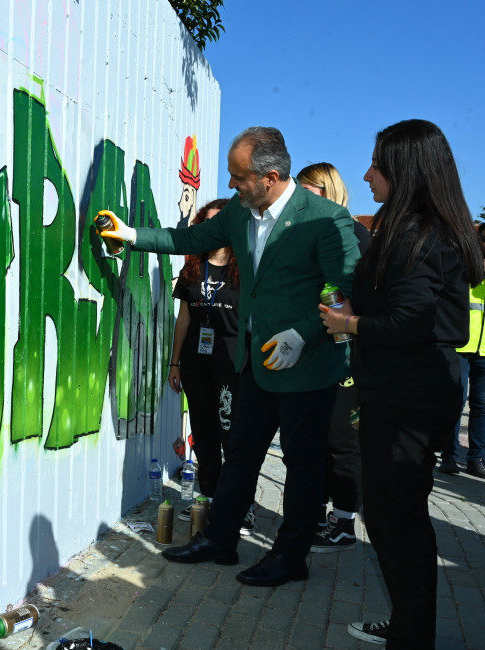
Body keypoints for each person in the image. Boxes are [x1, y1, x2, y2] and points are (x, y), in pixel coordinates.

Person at [99, 126, 360, 588]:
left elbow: (344, 289)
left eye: (239, 177)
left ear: (271, 176)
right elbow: (189, 240)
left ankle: (290, 557)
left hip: (307, 368)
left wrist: (303, 335)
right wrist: (131, 234)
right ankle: (220, 540)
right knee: (240, 455)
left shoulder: (324, 219)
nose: (232, 185)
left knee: (302, 468)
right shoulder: (241, 212)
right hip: (257, 363)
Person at [319, 119, 484, 646]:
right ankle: (410, 623)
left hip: (407, 396)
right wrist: (355, 305)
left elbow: (411, 320)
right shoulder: (414, 226)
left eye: (376, 163)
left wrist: (349, 324)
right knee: (395, 517)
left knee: (397, 522)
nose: (366, 173)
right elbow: (400, 304)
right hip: (405, 391)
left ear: (404, 169)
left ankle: (412, 634)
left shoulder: (419, 232)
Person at [296, 162, 371, 553]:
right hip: (316, 351)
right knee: (318, 439)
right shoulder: (312, 231)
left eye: (308, 190)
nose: (300, 198)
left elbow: (365, 295)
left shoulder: (354, 233)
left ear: (328, 191)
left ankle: (344, 522)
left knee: (343, 440)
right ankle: (322, 514)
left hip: (348, 354)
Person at [167, 198, 255, 534]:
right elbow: (184, 317)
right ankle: (210, 496)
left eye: (222, 222)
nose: (215, 228)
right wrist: (175, 362)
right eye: (209, 222)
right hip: (195, 361)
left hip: (232, 360)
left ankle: (240, 505)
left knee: (232, 432)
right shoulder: (192, 267)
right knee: (203, 432)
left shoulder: (245, 266)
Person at [441, 222, 485, 478]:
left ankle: (476, 457)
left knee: (481, 405)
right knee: (456, 401)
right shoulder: (466, 263)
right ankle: (449, 454)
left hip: (484, 348)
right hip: (462, 343)